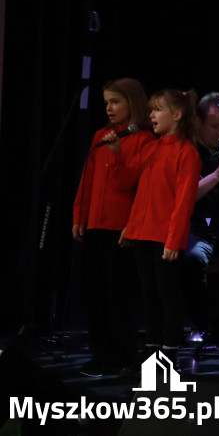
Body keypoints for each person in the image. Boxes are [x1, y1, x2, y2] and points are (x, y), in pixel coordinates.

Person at [72, 78, 155, 377]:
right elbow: (87, 180)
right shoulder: (100, 135)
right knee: (94, 293)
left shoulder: (144, 140)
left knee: (117, 294)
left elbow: (129, 185)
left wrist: (118, 152)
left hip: (121, 229)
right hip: (96, 224)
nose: (109, 107)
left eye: (115, 101)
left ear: (132, 103)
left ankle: (121, 354)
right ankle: (100, 353)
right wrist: (79, 216)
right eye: (106, 102)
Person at [116, 89, 202, 370]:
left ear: (176, 115)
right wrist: (130, 226)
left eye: (157, 110)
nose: (151, 115)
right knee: (149, 294)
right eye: (151, 110)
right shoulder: (152, 147)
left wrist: (174, 239)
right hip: (142, 233)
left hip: (164, 235)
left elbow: (184, 201)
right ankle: (151, 347)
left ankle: (169, 351)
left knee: (168, 295)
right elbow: (132, 185)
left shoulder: (187, 152)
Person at [183, 92, 219, 343]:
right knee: (193, 260)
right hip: (194, 227)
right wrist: (217, 176)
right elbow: (186, 196)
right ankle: (200, 323)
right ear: (199, 123)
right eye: (215, 126)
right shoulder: (186, 152)